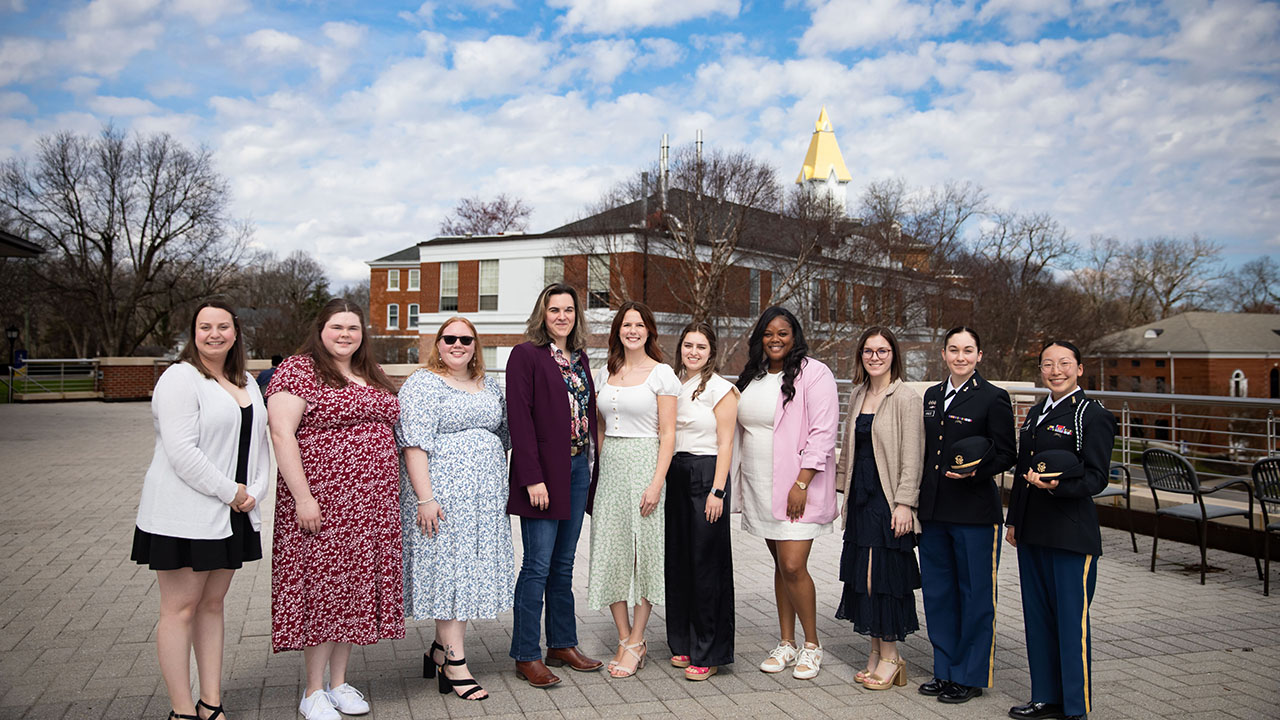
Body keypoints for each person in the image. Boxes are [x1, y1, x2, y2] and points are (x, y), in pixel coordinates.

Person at [266, 298, 403, 720]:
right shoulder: (298, 370)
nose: (345, 335)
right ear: (320, 330)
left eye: (353, 328)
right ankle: (312, 691)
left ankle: (339, 683)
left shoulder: (369, 372)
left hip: (371, 508)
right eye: (337, 327)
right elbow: (282, 434)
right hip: (322, 504)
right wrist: (303, 497)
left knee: (351, 593)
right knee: (324, 592)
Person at [132, 300, 269, 720]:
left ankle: (211, 703)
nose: (214, 334)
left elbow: (260, 445)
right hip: (184, 514)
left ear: (235, 331)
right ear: (193, 333)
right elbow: (181, 453)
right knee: (181, 609)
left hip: (232, 514)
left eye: (223, 326)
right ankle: (181, 710)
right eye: (205, 326)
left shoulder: (246, 379)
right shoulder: (180, 377)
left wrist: (254, 494)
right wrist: (231, 492)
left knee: (213, 606)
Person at [397, 317, 513, 701]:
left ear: (476, 345)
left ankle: (436, 649)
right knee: (450, 571)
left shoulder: (490, 384)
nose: (458, 344)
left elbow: (504, 435)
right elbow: (414, 444)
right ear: (438, 343)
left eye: (466, 339)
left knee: (467, 569)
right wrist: (425, 498)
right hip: (442, 498)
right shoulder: (423, 383)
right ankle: (455, 661)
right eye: (450, 338)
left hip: (483, 501)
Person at [1005, 341, 1116, 720]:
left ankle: (1075, 707)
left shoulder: (1090, 414)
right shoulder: (1036, 413)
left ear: (1080, 369)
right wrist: (1014, 521)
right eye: (1048, 364)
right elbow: (1023, 473)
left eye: (1064, 364)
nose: (1056, 371)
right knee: (1038, 619)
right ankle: (1045, 697)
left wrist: (1059, 487)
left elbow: (1098, 477)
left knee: (1070, 623)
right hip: (1033, 531)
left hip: (1070, 533)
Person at [507, 283, 604, 688]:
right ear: (542, 314)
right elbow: (520, 419)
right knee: (537, 566)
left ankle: (561, 643)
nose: (562, 316)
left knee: (563, 566)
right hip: (543, 475)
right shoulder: (525, 356)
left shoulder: (579, 359)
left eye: (568, 309)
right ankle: (526, 653)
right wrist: (533, 478)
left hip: (577, 469)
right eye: (554, 310)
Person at [734, 306, 839, 680]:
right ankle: (786, 642)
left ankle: (812, 645)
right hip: (761, 485)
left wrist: (802, 482)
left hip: (797, 487)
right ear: (759, 338)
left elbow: (824, 433)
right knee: (780, 566)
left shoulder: (815, 373)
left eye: (783, 333)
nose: (775, 339)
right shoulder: (753, 376)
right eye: (768, 333)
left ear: (795, 336)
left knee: (794, 565)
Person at [917, 326, 1016, 704]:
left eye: (968, 350)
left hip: (975, 513)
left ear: (979, 356)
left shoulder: (993, 397)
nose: (961, 357)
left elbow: (1008, 453)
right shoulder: (931, 395)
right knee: (939, 594)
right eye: (954, 350)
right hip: (935, 511)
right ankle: (945, 670)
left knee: (975, 595)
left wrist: (978, 469)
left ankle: (970, 675)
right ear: (943, 354)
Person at [588, 301, 679, 678]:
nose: (633, 330)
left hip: (646, 463)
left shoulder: (662, 374)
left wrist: (656, 482)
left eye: (640, 324)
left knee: (645, 554)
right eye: (627, 324)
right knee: (610, 551)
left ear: (649, 331)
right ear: (618, 331)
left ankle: (639, 637)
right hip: (611, 469)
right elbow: (601, 429)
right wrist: (600, 473)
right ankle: (624, 636)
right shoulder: (603, 374)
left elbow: (669, 433)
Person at [834, 326, 924, 692]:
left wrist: (905, 503)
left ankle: (891, 655)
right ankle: (874, 651)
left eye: (882, 351)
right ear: (861, 356)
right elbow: (848, 447)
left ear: (894, 355)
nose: (875, 357)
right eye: (869, 351)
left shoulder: (905, 397)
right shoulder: (857, 394)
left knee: (881, 577)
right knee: (863, 578)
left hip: (888, 499)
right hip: (860, 498)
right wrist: (839, 491)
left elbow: (912, 456)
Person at [665, 321, 738, 681]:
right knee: (679, 562)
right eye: (688, 345)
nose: (693, 352)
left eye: (701, 347)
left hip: (706, 475)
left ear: (712, 352)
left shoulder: (721, 390)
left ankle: (709, 651)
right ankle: (683, 641)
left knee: (706, 565)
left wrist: (718, 491)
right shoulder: (674, 385)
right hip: (675, 475)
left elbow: (726, 443)